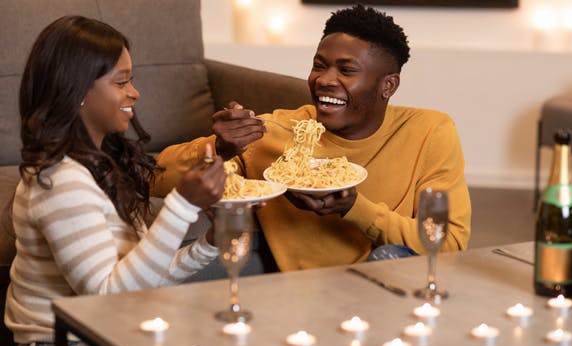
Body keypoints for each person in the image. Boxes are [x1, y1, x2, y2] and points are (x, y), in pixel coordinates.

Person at [153, 5, 471, 271]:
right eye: (319, 66)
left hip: (380, 276)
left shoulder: (430, 131)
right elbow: (154, 179)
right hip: (289, 282)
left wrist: (354, 207)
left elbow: (450, 243)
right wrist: (218, 150)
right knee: (162, 272)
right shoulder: (272, 132)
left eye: (346, 71)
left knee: (390, 260)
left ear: (388, 86)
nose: (325, 80)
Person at [5, 16, 226, 346]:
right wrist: (181, 205)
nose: (134, 93)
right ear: (76, 90)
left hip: (110, 330)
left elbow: (140, 279)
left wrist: (210, 241)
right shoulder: (60, 181)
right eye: (121, 82)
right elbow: (107, 296)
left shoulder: (101, 164)